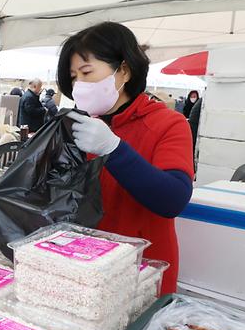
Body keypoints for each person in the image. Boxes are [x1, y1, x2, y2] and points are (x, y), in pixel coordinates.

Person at [58, 21, 194, 294]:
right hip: (85, 267)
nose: (78, 85)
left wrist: (114, 149)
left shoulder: (169, 123)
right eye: (73, 77)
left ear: (123, 70)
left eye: (86, 72)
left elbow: (173, 199)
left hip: (142, 272)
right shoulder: (81, 125)